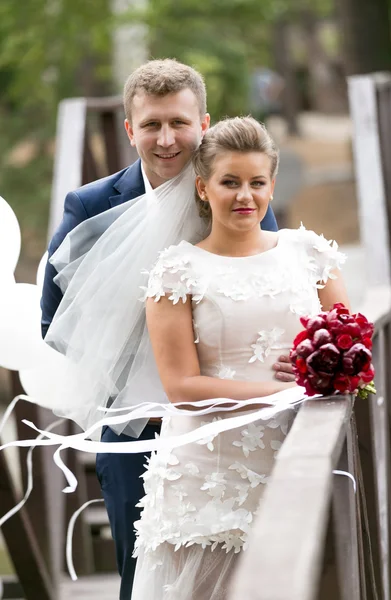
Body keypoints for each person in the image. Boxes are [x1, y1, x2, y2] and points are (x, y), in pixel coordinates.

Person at [40, 59, 292, 600]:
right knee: (147, 581)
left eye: (179, 122)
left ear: (203, 122)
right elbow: (54, 319)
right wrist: (137, 370)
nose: (166, 137)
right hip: (139, 428)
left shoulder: (240, 193)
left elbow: (275, 285)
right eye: (151, 124)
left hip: (233, 420)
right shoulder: (89, 206)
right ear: (130, 130)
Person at [129, 116, 350, 599]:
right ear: (203, 188)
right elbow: (182, 389)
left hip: (302, 453)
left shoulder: (309, 253)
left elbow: (351, 346)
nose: (244, 196)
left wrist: (326, 367)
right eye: (230, 182)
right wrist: (284, 392)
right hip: (210, 473)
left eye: (257, 182)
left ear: (272, 185)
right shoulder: (176, 271)